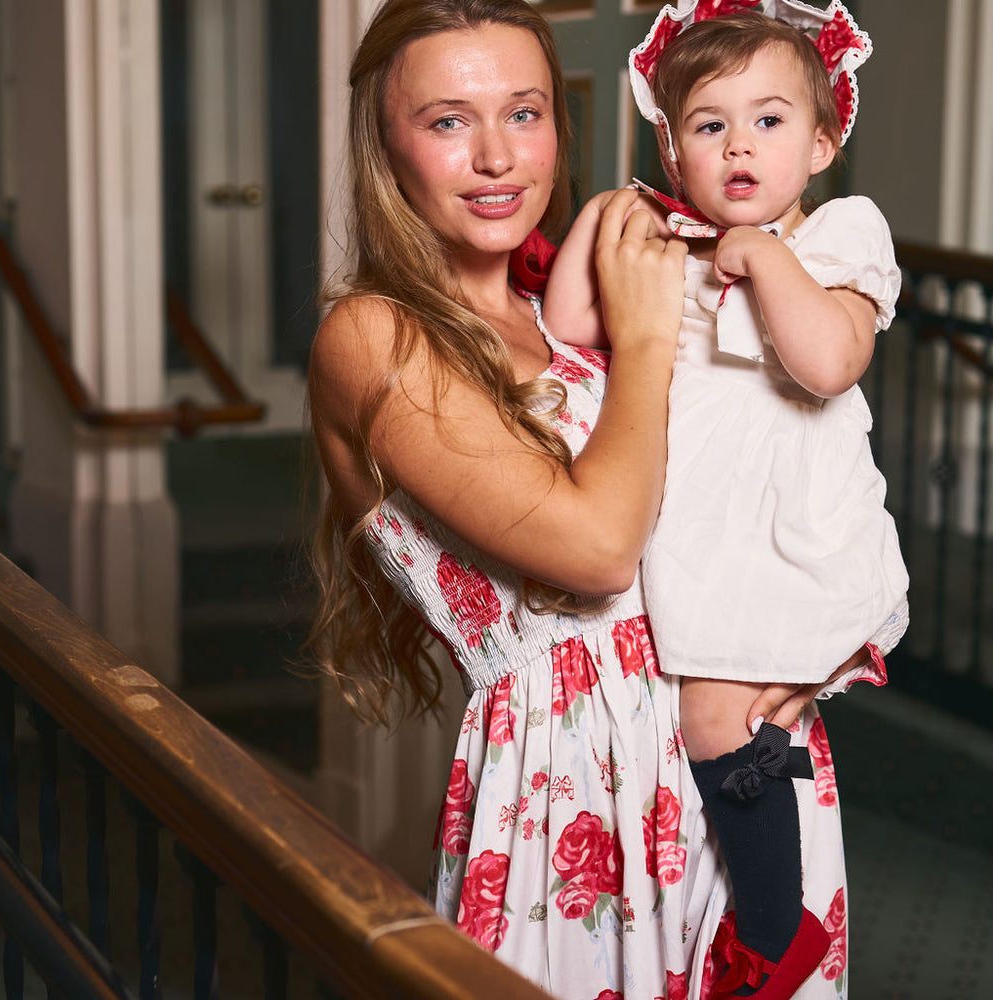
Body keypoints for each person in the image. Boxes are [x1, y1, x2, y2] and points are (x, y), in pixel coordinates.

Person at [308, 1, 878, 997]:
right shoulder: (374, 335)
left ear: (559, 123)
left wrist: (817, 624)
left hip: (733, 749)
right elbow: (601, 548)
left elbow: (772, 457)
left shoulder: (568, 296)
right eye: (447, 121)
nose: (495, 156)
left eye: (523, 113)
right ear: (385, 144)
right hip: (570, 787)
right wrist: (650, 332)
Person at [540, 3, 908, 996]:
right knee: (709, 721)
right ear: (671, 146)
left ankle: (771, 929)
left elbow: (829, 361)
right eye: (707, 125)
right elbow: (570, 322)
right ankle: (756, 911)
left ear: (825, 139)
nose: (738, 144)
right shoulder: (671, 244)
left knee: (711, 718)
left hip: (790, 530)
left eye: (769, 120)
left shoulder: (838, 234)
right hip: (703, 532)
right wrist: (603, 222)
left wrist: (762, 257)